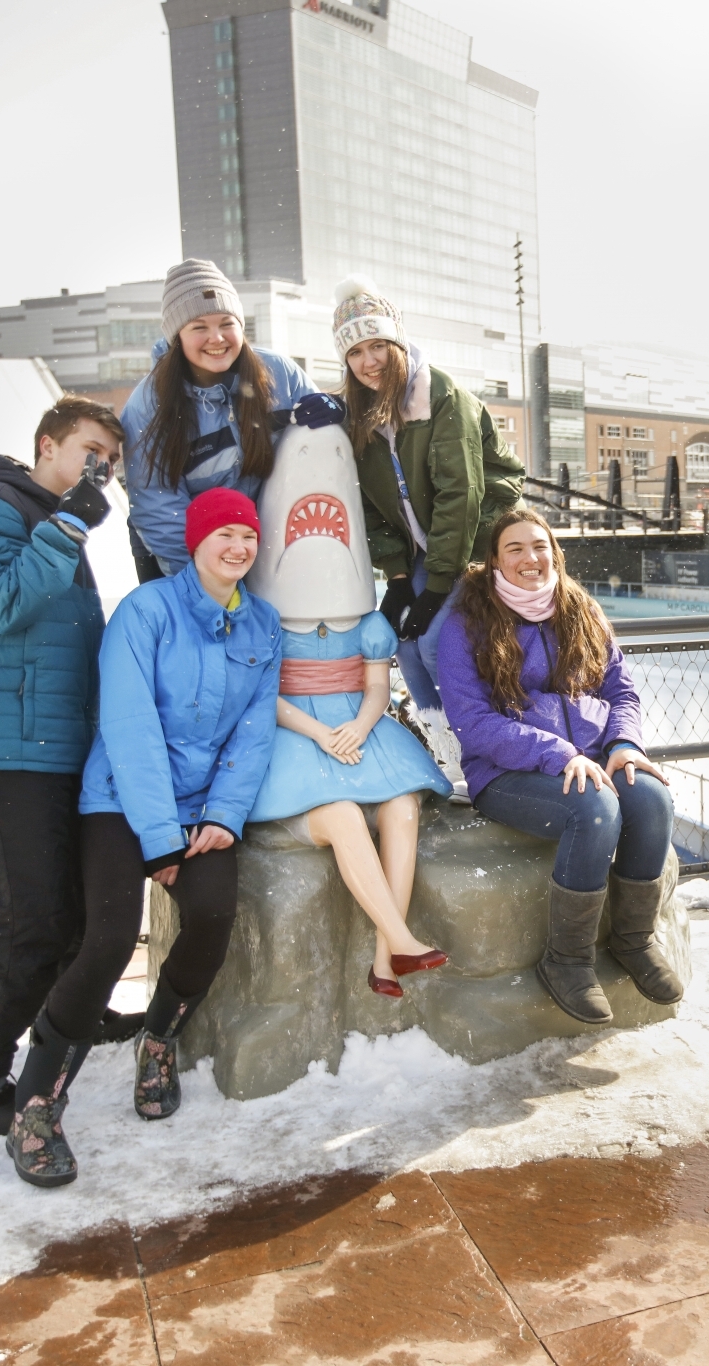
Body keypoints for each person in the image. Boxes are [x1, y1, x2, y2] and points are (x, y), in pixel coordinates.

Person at [5, 488, 281, 1188]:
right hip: (121, 800)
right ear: (194, 543)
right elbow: (129, 726)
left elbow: (253, 733)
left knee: (213, 916)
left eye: (247, 536)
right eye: (222, 534)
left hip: (200, 810)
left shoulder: (262, 626)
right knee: (105, 941)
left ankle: (159, 1039)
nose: (238, 547)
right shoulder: (145, 611)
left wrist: (224, 815)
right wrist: (160, 837)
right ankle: (36, 1104)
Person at [0, 395, 120, 1135]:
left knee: (65, 912)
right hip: (3, 750)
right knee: (21, 924)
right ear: (49, 445)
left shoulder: (47, 524)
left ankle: (61, 1022)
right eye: (91, 453)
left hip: (51, 748)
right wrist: (70, 521)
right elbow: (0, 603)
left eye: (111, 463)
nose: (101, 471)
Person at [245, 392, 453, 995]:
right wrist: (319, 733)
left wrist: (360, 728)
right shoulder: (263, 623)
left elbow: (376, 689)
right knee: (337, 815)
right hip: (294, 735)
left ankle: (388, 959)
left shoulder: (369, 625)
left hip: (359, 730)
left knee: (403, 809)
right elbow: (264, 697)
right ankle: (402, 941)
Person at [439, 508, 681, 1025]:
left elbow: (621, 691)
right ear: (496, 561)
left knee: (652, 799)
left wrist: (624, 743)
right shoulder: (467, 624)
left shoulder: (582, 610)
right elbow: (472, 722)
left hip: (594, 757)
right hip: (509, 772)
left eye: (540, 546)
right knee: (594, 810)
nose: (531, 558)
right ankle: (567, 961)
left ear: (556, 553)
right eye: (515, 549)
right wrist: (557, 753)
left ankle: (634, 941)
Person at [332, 277, 524, 715]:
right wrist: (398, 578)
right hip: (429, 544)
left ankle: (483, 733)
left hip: (479, 535)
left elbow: (461, 497)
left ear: (397, 344)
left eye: (377, 345)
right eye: (355, 352)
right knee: (403, 642)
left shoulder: (444, 400)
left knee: (438, 645)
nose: (369, 361)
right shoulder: (362, 417)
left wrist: (436, 590)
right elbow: (369, 502)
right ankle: (445, 744)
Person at [121, 259, 317, 581]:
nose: (216, 338)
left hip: (267, 543)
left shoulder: (280, 374)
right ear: (177, 337)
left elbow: (325, 447)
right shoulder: (149, 404)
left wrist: (334, 412)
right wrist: (206, 587)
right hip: (187, 557)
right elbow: (158, 507)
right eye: (199, 327)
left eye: (226, 323)